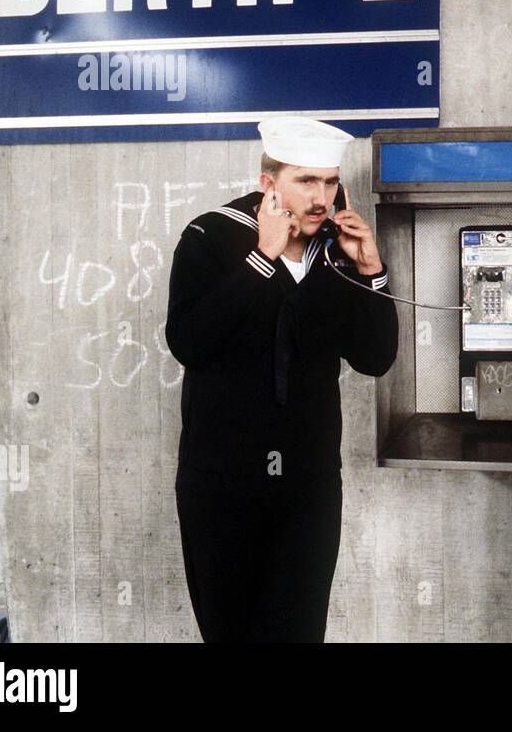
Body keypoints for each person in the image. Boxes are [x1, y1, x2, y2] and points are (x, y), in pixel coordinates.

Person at [165, 116, 397, 642]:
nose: (321, 198)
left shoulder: (336, 252)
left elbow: (376, 358)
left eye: (330, 182)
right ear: (269, 182)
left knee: (298, 632)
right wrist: (262, 258)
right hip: (223, 482)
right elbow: (189, 342)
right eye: (305, 181)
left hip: (309, 484)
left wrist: (372, 271)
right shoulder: (210, 237)